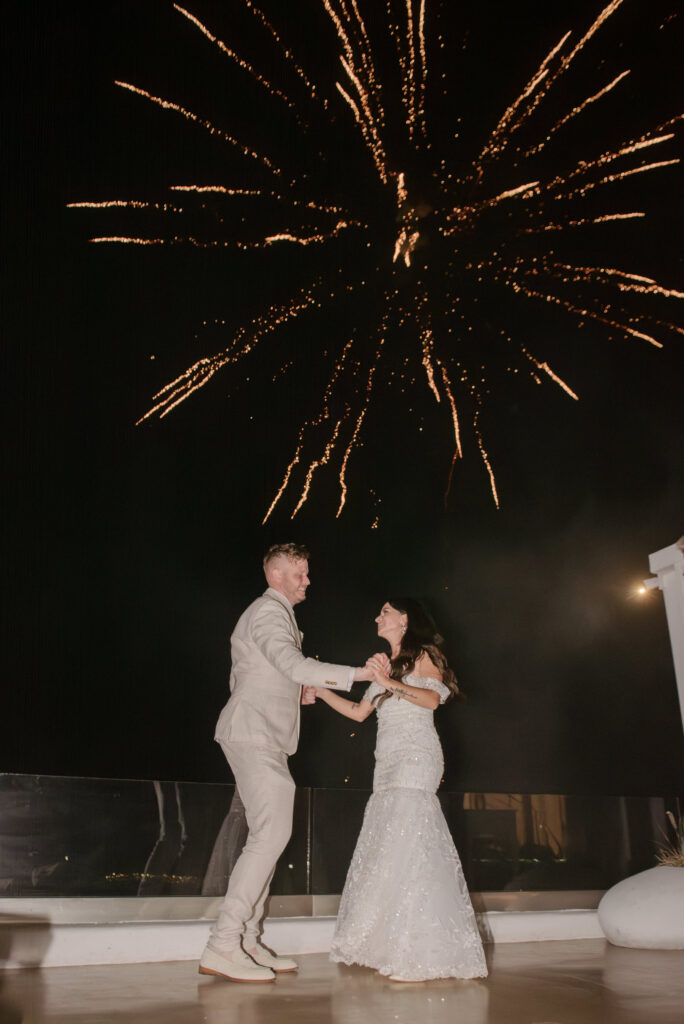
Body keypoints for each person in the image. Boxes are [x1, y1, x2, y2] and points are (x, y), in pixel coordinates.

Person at [199, 543, 376, 984]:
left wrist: (293, 693)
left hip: (261, 732)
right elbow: (292, 663)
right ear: (276, 575)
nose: (308, 580)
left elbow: (247, 674)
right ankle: (223, 943)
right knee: (271, 835)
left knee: (269, 836)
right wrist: (359, 675)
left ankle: (248, 940)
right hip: (254, 734)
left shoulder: (270, 615)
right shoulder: (270, 612)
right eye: (300, 573)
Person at [314, 597, 488, 982]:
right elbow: (360, 713)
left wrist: (388, 682)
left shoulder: (425, 655)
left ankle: (421, 950)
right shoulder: (384, 666)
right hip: (386, 762)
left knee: (413, 843)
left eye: (385, 612)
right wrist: (322, 693)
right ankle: (390, 945)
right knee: (389, 845)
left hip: (416, 758)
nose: (378, 617)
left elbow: (431, 699)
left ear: (405, 620)